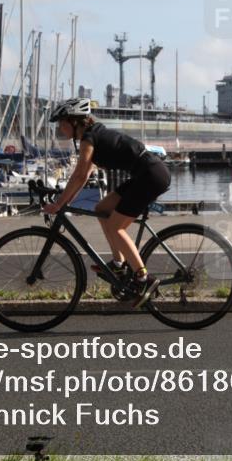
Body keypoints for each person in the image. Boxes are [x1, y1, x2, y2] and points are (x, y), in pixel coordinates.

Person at [42, 97, 170, 307]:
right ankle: (119, 264)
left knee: (115, 227)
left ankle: (143, 279)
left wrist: (58, 204)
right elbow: (83, 176)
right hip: (146, 174)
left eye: (62, 123)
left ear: (74, 121)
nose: (60, 128)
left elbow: (79, 176)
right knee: (102, 209)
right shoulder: (93, 136)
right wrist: (63, 201)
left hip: (150, 176)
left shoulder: (89, 139)